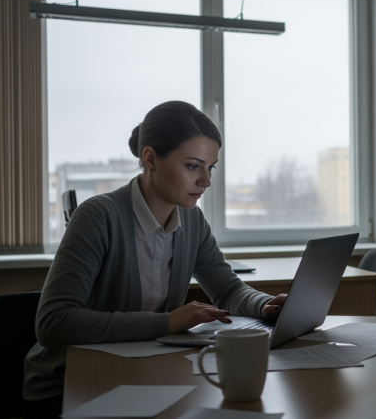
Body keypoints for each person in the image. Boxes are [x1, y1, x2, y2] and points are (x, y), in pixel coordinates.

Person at [22, 101, 287, 419]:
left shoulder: (192, 222)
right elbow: (54, 323)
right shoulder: (98, 216)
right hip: (67, 385)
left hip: (144, 372)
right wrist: (169, 322)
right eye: (193, 166)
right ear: (150, 159)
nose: (206, 181)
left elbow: (228, 289)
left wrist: (264, 305)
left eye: (210, 167)